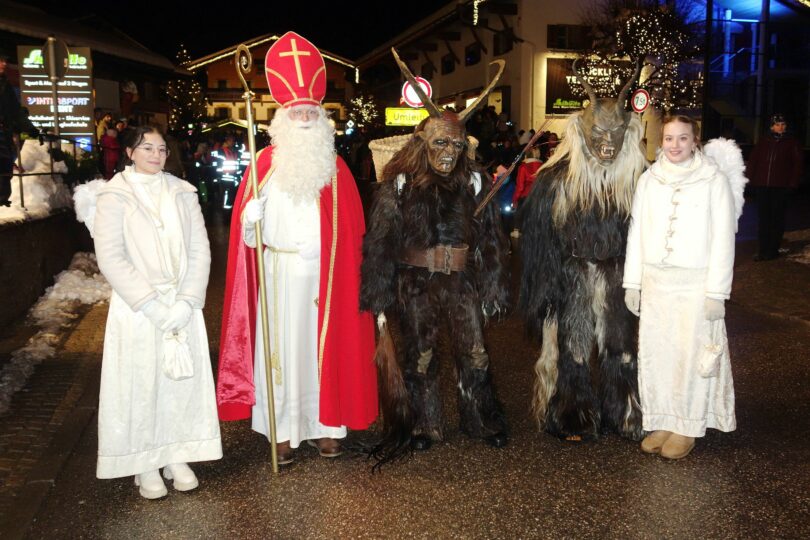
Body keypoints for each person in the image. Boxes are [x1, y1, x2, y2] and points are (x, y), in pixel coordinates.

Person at [217, 32, 378, 465]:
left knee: (320, 352)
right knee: (282, 353)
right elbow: (246, 241)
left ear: (322, 119)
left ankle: (326, 427)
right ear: (282, 119)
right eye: (297, 113)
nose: (305, 119)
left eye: (311, 112)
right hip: (279, 274)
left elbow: (352, 231)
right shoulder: (263, 165)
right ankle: (283, 432)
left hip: (326, 277)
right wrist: (250, 221)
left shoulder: (336, 167)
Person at [361, 49, 510, 466]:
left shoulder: (474, 182)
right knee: (421, 355)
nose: (449, 152)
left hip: (461, 281)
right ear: (422, 143)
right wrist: (379, 295)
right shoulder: (400, 184)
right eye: (441, 142)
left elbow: (491, 239)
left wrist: (493, 285)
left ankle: (482, 419)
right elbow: (380, 242)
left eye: (457, 145)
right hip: (416, 282)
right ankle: (423, 424)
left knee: (476, 351)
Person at [91, 124, 222, 498]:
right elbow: (111, 256)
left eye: (162, 149)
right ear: (129, 152)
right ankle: (144, 460)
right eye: (147, 147)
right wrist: (150, 303)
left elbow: (199, 249)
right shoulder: (114, 195)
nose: (155, 155)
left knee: (178, 383)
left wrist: (187, 300)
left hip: (180, 305)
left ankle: (176, 452)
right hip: (138, 309)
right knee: (141, 383)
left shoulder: (182, 192)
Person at [623, 115, 743, 460]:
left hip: (695, 284)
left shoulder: (713, 180)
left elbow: (723, 239)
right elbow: (637, 232)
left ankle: (687, 424)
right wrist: (633, 283)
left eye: (683, 138)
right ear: (661, 141)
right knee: (659, 355)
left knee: (690, 357)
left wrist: (716, 292)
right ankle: (663, 419)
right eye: (669, 138)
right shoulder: (649, 179)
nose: (675, 145)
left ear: (695, 141)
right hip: (657, 282)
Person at [746, 113, 804, 261]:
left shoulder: (792, 142)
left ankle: (772, 251)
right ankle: (762, 250)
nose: (780, 127)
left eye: (783, 124)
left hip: (780, 187)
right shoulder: (764, 141)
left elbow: (797, 165)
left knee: (777, 219)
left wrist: (792, 184)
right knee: (764, 219)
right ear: (772, 126)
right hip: (762, 186)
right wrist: (749, 181)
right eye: (777, 124)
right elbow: (753, 161)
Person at [0, 48, 38, 206]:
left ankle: (2, 199)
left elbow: (16, 110)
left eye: (5, 61)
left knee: (5, 167)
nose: (4, 64)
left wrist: (29, 128)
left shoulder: (5, 85)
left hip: (3, 133)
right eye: (0, 60)